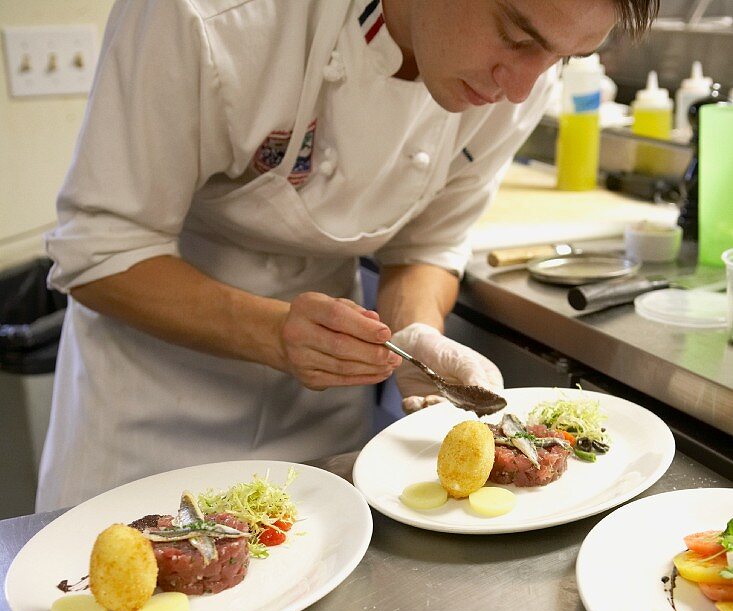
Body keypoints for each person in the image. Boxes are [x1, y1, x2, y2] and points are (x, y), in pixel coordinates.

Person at [37, 0, 657, 510]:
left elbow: (427, 244)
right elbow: (102, 250)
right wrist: (276, 333)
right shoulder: (206, 15)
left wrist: (416, 332)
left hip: (323, 432)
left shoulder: (521, 79)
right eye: (515, 33)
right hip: (149, 422)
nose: (523, 86)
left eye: (564, 56)